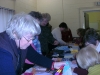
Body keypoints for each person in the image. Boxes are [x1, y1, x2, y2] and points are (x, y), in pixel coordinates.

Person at [0, 13, 65, 75]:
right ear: (15, 33)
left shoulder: (20, 41)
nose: (31, 42)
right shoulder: (3, 51)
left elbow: (34, 56)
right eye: (29, 38)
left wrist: (53, 64)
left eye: (32, 38)